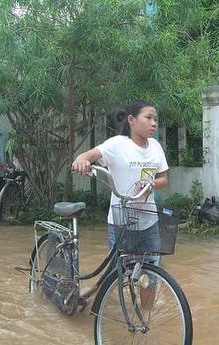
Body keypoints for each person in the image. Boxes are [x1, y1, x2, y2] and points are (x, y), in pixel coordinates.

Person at [72, 100, 169, 302]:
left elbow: (163, 178)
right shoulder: (117, 145)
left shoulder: (156, 147)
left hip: (149, 222)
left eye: (155, 119)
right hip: (121, 221)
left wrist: (151, 185)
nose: (154, 124)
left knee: (150, 274)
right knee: (117, 270)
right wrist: (81, 160)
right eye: (149, 118)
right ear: (132, 120)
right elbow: (88, 155)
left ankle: (146, 318)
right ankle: (94, 296)